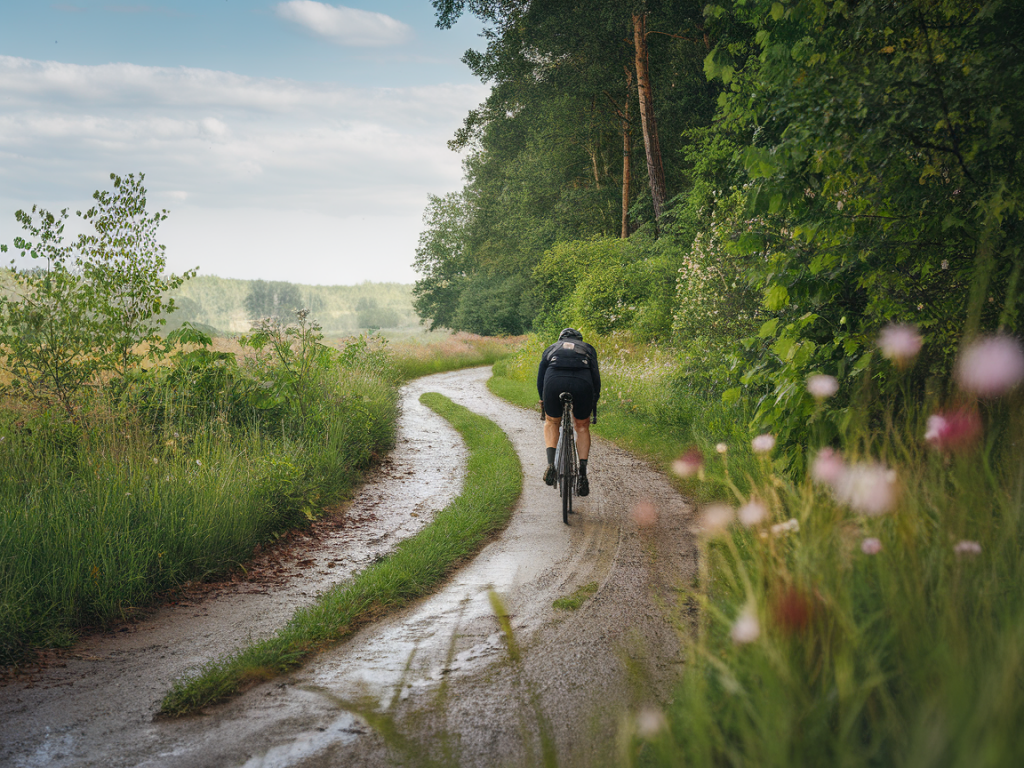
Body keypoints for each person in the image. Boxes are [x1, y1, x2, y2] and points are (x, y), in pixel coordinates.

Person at [537, 328, 600, 496]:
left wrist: (543, 399)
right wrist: (593, 400)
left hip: (553, 382)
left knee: (552, 421)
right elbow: (595, 377)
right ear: (579, 339)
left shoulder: (552, 348)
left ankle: (551, 465)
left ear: (560, 338)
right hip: (582, 383)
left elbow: (540, 378)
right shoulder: (588, 348)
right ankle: (583, 475)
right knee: (581, 426)